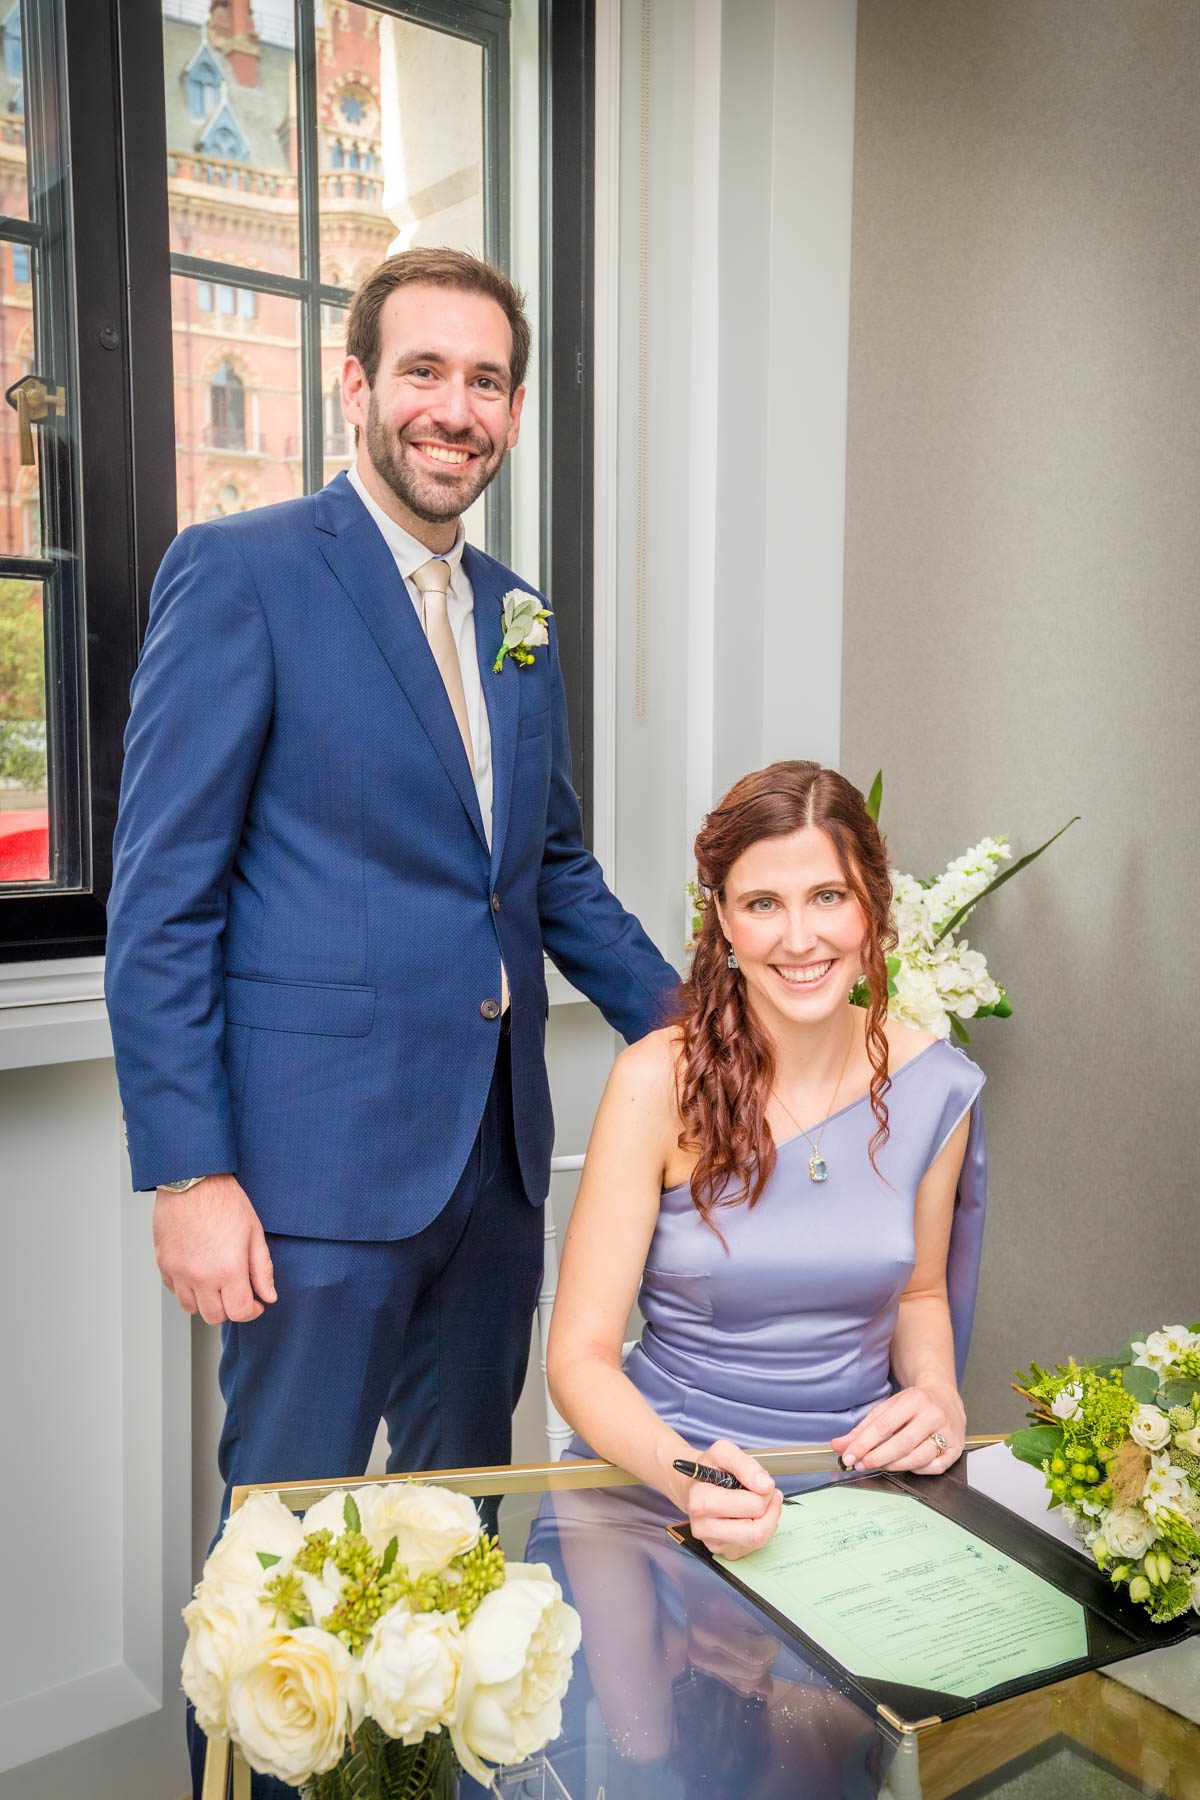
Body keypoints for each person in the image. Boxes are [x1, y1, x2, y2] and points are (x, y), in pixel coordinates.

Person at [105, 248, 678, 1792]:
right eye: (423, 371)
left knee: (448, 1566)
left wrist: (709, 1041)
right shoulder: (243, 574)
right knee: (278, 1576)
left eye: (487, 381)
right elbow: (163, 899)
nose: (457, 408)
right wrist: (187, 1169)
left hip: (493, 1176)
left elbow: (550, 872)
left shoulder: (520, 617)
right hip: (309, 1188)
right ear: (354, 385)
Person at [547, 760, 986, 1561]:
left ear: (871, 905)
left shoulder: (936, 1089)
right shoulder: (656, 1081)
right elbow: (579, 1359)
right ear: (721, 918)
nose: (798, 939)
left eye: (828, 897)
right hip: (659, 1488)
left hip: (859, 1490)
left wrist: (939, 1396)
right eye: (761, 904)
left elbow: (921, 1290)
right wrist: (690, 1480)